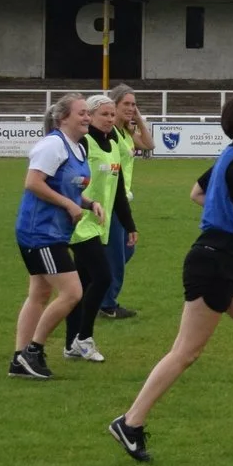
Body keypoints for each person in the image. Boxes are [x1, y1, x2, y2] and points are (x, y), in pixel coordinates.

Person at [108, 92, 233, 461]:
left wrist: (223, 210)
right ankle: (130, 422)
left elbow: (197, 193)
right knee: (186, 351)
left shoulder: (230, 156)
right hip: (214, 263)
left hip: (225, 261)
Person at [8, 94, 98, 379]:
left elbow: (65, 187)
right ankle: (32, 351)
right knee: (72, 292)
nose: (87, 117)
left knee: (39, 294)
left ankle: (19, 360)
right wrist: (69, 204)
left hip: (54, 231)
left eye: (88, 113)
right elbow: (33, 183)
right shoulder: (53, 145)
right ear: (63, 118)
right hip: (40, 232)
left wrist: (87, 203)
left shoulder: (78, 147)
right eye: (81, 113)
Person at [61, 94, 126, 363]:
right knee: (103, 277)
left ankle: (71, 344)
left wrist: (129, 223)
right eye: (103, 114)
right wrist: (76, 203)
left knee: (83, 285)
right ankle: (84, 338)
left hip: (98, 222)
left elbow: (118, 187)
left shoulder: (113, 143)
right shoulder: (84, 143)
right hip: (80, 222)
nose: (109, 119)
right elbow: (70, 178)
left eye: (112, 115)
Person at [96, 88, 143, 321]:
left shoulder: (124, 132)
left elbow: (149, 144)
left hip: (120, 197)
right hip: (109, 199)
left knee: (125, 250)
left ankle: (96, 289)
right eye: (127, 104)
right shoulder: (111, 133)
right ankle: (107, 304)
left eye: (134, 104)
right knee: (115, 254)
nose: (131, 108)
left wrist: (137, 119)